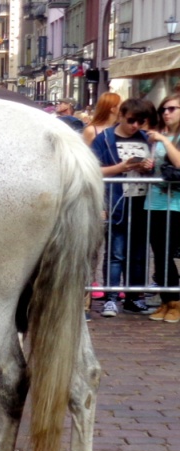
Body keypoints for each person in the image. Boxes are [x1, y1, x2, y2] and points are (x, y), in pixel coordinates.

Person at [90, 98, 159, 318]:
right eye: (131, 120)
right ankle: (111, 297)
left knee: (138, 254)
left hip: (141, 202)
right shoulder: (105, 139)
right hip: (116, 201)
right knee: (116, 252)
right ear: (120, 116)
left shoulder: (145, 139)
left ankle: (133, 297)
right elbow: (93, 169)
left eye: (140, 121)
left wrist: (148, 168)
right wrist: (122, 167)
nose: (135, 126)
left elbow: (153, 171)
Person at [145, 94, 180, 322]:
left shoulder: (166, 138)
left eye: (172, 109)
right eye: (163, 109)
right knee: (158, 253)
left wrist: (166, 141)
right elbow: (156, 168)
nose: (166, 113)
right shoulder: (158, 137)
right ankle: (167, 300)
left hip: (175, 203)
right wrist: (146, 165)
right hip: (154, 200)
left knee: (168, 251)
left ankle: (175, 301)